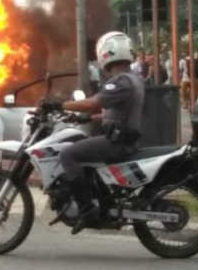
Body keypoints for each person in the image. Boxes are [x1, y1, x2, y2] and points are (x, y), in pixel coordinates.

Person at [50, 31, 145, 235]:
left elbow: (94, 102)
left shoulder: (121, 82)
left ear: (105, 54)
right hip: (123, 138)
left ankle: (86, 210)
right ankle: (94, 199)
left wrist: (61, 105)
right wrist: (85, 118)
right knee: (82, 150)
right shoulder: (132, 79)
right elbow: (116, 113)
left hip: (117, 143)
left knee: (68, 154)